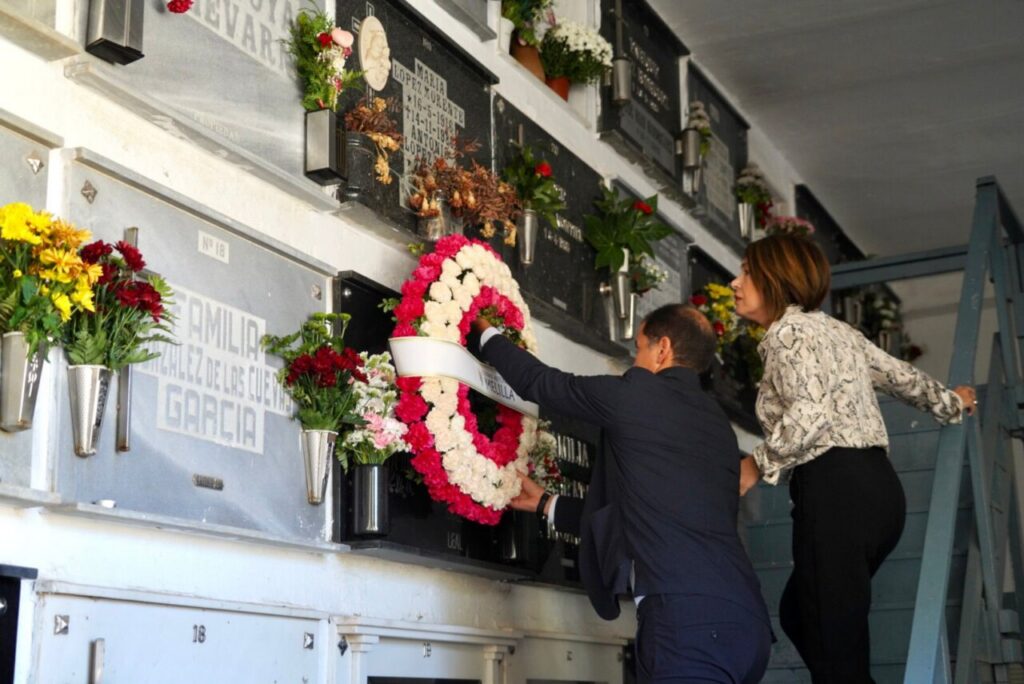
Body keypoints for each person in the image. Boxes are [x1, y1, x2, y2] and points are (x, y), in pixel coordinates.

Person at [475, 304, 772, 684]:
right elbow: (651, 517)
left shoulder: (637, 393)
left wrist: (484, 331)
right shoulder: (718, 426)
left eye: (639, 348)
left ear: (663, 348)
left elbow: (540, 382)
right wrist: (548, 504)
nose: (635, 360)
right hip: (748, 625)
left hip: (687, 627)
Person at [731, 233, 976, 683]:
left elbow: (811, 413)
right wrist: (951, 403)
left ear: (775, 277)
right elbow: (900, 376)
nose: (734, 281)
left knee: (834, 646)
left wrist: (756, 464)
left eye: (746, 271)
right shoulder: (838, 332)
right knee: (803, 616)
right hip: (879, 495)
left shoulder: (788, 333)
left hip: (836, 493)